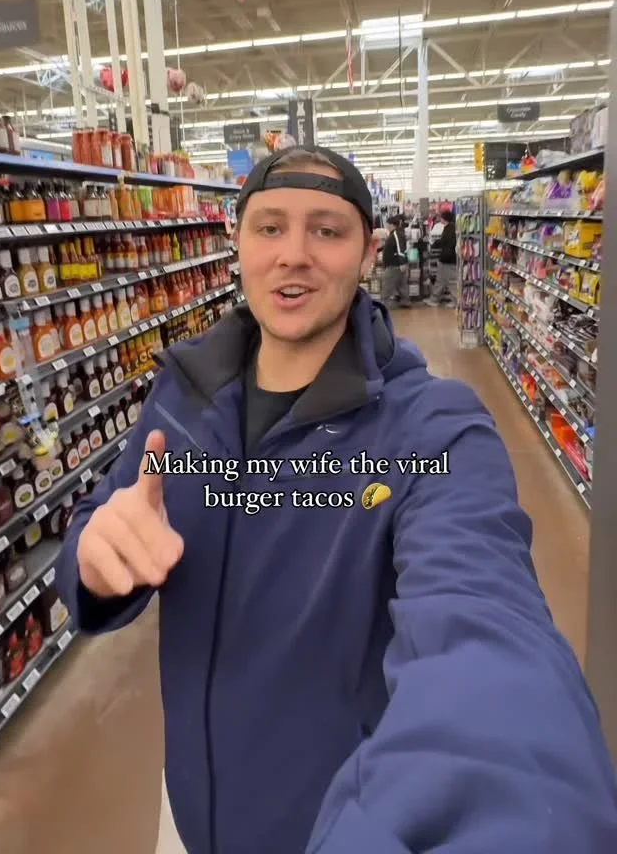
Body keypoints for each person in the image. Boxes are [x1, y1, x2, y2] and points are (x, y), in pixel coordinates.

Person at [55, 145, 617, 854]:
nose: (294, 254)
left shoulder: (433, 429)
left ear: (367, 251)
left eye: (326, 230)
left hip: (334, 824)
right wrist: (95, 563)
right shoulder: (183, 394)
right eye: (269, 227)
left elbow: (484, 630)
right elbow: (92, 530)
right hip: (185, 812)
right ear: (237, 243)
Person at [426, 207, 457, 307]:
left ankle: (456, 301)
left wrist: (434, 244)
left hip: (448, 260)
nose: (440, 219)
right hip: (445, 259)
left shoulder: (450, 229)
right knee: (440, 280)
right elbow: (443, 241)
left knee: (451, 281)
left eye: (441, 218)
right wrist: (434, 244)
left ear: (444, 218)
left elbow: (448, 244)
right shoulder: (449, 228)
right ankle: (434, 299)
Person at [381, 215, 411, 309]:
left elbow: (400, 249)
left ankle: (383, 304)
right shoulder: (397, 233)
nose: (386, 226)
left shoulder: (396, 234)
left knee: (387, 283)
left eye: (388, 224)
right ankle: (405, 301)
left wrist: (402, 262)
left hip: (394, 264)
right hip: (398, 264)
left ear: (392, 225)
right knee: (401, 284)